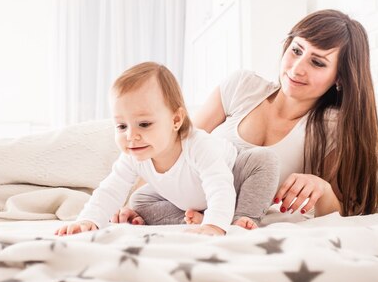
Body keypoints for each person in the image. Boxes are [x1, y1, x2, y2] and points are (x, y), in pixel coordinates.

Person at [115, 9, 378, 224]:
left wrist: (321, 187)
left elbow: (344, 213)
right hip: (187, 197)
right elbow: (168, 145)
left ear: (340, 78)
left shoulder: (331, 127)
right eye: (296, 50)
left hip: (242, 218)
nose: (297, 69)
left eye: (318, 62)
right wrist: (131, 205)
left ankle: (216, 219)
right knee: (141, 202)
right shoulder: (241, 86)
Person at [55, 62, 279, 237]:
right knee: (138, 201)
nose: (131, 136)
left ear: (176, 120)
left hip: (234, 181)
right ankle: (195, 218)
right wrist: (88, 220)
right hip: (192, 199)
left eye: (144, 124)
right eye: (121, 126)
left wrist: (214, 223)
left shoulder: (197, 145)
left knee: (264, 159)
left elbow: (219, 184)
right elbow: (111, 190)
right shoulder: (133, 155)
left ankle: (240, 217)